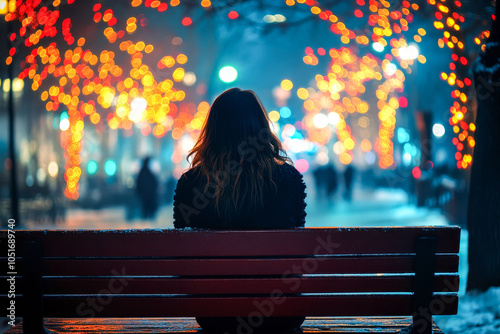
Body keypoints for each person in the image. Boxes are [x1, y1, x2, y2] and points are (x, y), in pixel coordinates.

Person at [173, 88, 307, 333]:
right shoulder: (288, 179)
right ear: (261, 127)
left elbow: (183, 257)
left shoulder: (192, 182)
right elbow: (297, 246)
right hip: (280, 312)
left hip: (215, 313)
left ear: (213, 129)